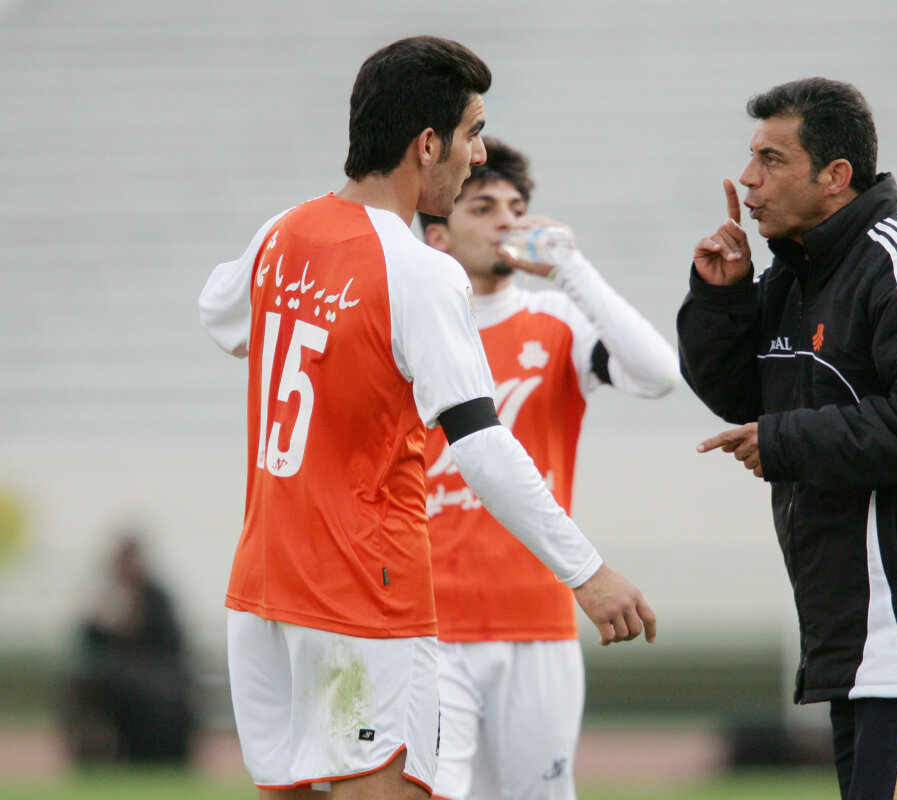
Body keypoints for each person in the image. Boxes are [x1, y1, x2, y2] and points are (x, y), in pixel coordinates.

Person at [199, 36, 655, 800]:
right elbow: (480, 447)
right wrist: (587, 572)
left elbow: (220, 315)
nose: (479, 155)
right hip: (361, 594)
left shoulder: (282, 233)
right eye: (473, 133)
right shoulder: (418, 270)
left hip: (262, 591)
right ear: (427, 144)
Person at [676, 77, 897, 800]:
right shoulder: (796, 274)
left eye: (772, 159)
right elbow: (746, 395)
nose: (748, 179)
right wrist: (723, 298)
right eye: (752, 157)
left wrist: (787, 442)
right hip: (859, 639)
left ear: (835, 176)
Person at [416, 137, 679, 800]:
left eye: (515, 207)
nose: (506, 222)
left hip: (537, 619)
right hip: (428, 624)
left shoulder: (555, 319)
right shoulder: (412, 328)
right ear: (438, 235)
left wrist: (572, 269)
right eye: (482, 208)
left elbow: (658, 375)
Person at [64, 531, 194, 764]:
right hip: (115, 674)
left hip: (153, 675)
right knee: (81, 686)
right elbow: (90, 637)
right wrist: (105, 619)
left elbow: (170, 640)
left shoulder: (155, 596)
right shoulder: (109, 594)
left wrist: (133, 623)